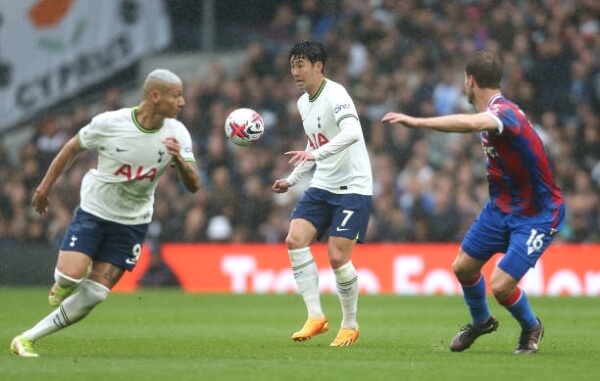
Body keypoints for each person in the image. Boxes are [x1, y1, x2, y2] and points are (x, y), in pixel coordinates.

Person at [381, 51, 565, 354]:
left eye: (464, 81)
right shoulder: (497, 114)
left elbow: (468, 123)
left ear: (470, 80)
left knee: (501, 285)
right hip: (501, 208)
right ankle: (482, 322)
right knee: (463, 268)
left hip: (538, 214)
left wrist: (417, 122)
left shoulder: (503, 112)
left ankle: (531, 325)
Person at [10, 69, 201, 357]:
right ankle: (63, 283)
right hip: (95, 211)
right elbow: (71, 147)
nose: (183, 102)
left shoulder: (177, 133)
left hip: (133, 222)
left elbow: (194, 184)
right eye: (177, 96)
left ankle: (27, 338)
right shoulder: (110, 123)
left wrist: (179, 161)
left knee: (96, 293)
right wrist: (44, 188)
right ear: (155, 96)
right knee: (71, 278)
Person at [272, 40, 373, 347]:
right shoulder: (304, 103)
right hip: (323, 184)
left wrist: (316, 156)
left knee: (337, 256)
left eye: (301, 65)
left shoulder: (336, 94)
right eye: (292, 66)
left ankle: (350, 324)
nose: (295, 72)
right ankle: (316, 316)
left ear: (318, 66)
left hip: (353, 185)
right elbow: (313, 145)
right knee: (294, 239)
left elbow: (352, 132)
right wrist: (292, 179)